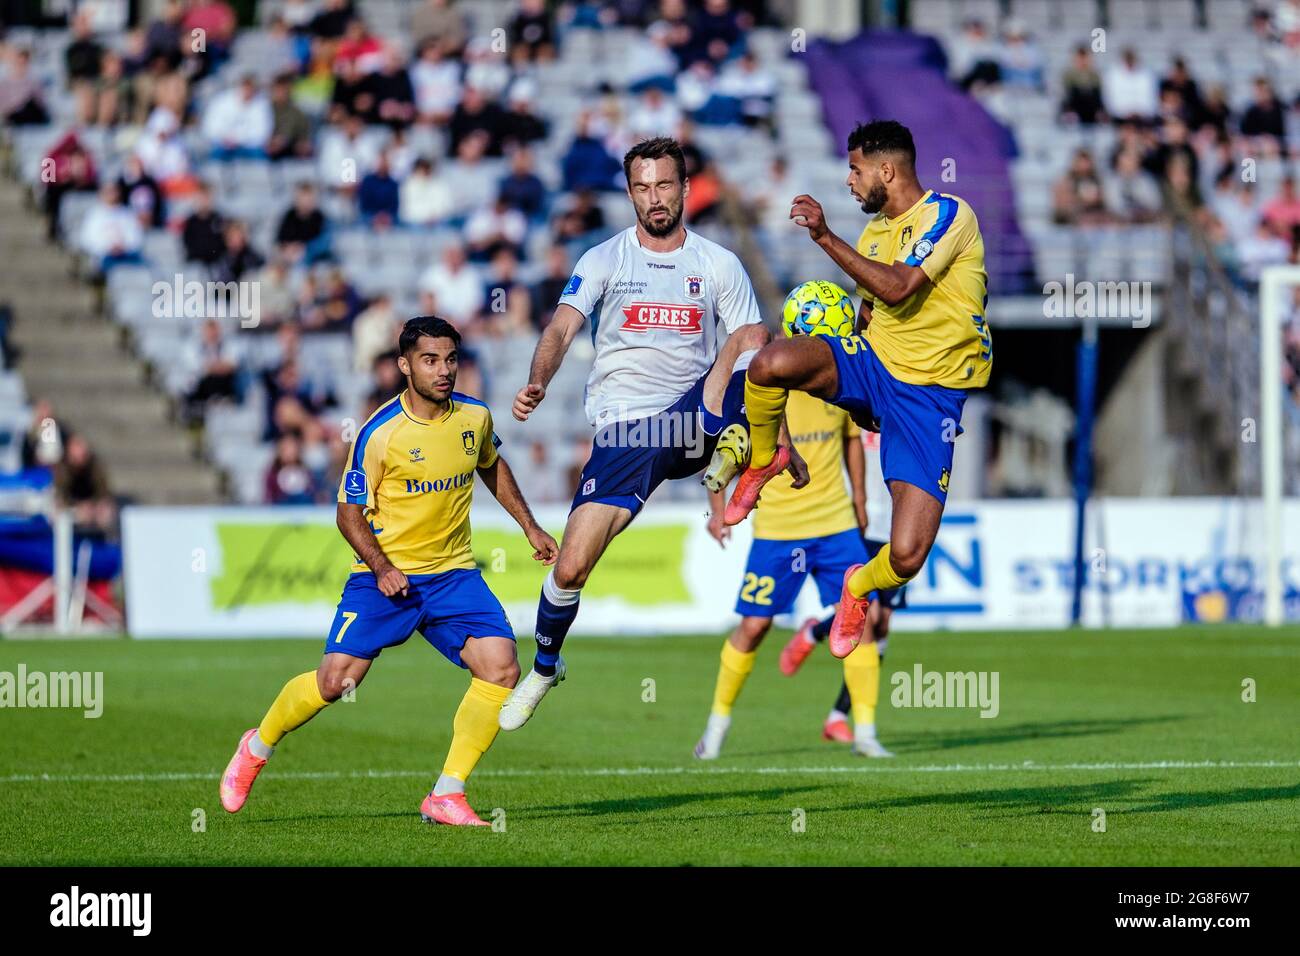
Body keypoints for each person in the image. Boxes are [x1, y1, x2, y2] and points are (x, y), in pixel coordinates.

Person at [502, 136, 801, 730]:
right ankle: (545, 665)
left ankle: (748, 451)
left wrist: (782, 435)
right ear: (630, 193)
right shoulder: (605, 259)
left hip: (692, 415)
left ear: (685, 189)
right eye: (642, 187)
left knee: (756, 338)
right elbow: (562, 329)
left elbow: (757, 357)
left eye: (664, 185)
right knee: (570, 570)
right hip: (627, 431)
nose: (654, 198)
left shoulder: (717, 263)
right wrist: (537, 380)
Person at [220, 316, 559, 826]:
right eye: (429, 360)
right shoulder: (379, 434)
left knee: (502, 667)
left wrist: (530, 527)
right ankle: (258, 745)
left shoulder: (475, 417)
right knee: (336, 682)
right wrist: (380, 567)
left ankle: (447, 793)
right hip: (385, 578)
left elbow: (491, 465)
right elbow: (347, 513)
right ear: (404, 365)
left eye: (450, 359)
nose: (443, 371)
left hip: (452, 575)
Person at [724, 120, 989, 659]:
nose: (849, 181)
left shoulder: (948, 215)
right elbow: (868, 315)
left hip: (927, 398)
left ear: (886, 170)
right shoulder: (873, 235)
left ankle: (857, 588)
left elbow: (897, 285)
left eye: (855, 169)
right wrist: (841, 372)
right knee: (769, 362)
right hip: (873, 367)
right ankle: (766, 456)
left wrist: (823, 236)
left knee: (909, 555)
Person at [694, 381, 890, 760]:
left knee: (860, 621)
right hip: (778, 532)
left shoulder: (835, 380)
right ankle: (716, 728)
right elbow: (724, 447)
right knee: (754, 627)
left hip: (836, 525)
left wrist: (860, 500)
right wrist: (718, 511)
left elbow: (852, 439)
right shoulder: (762, 387)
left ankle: (865, 733)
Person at [779, 428, 907, 756]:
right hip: (853, 523)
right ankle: (862, 729)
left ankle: (837, 715)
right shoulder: (853, 405)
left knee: (881, 629)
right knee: (867, 616)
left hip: (896, 526)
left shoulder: (900, 406)